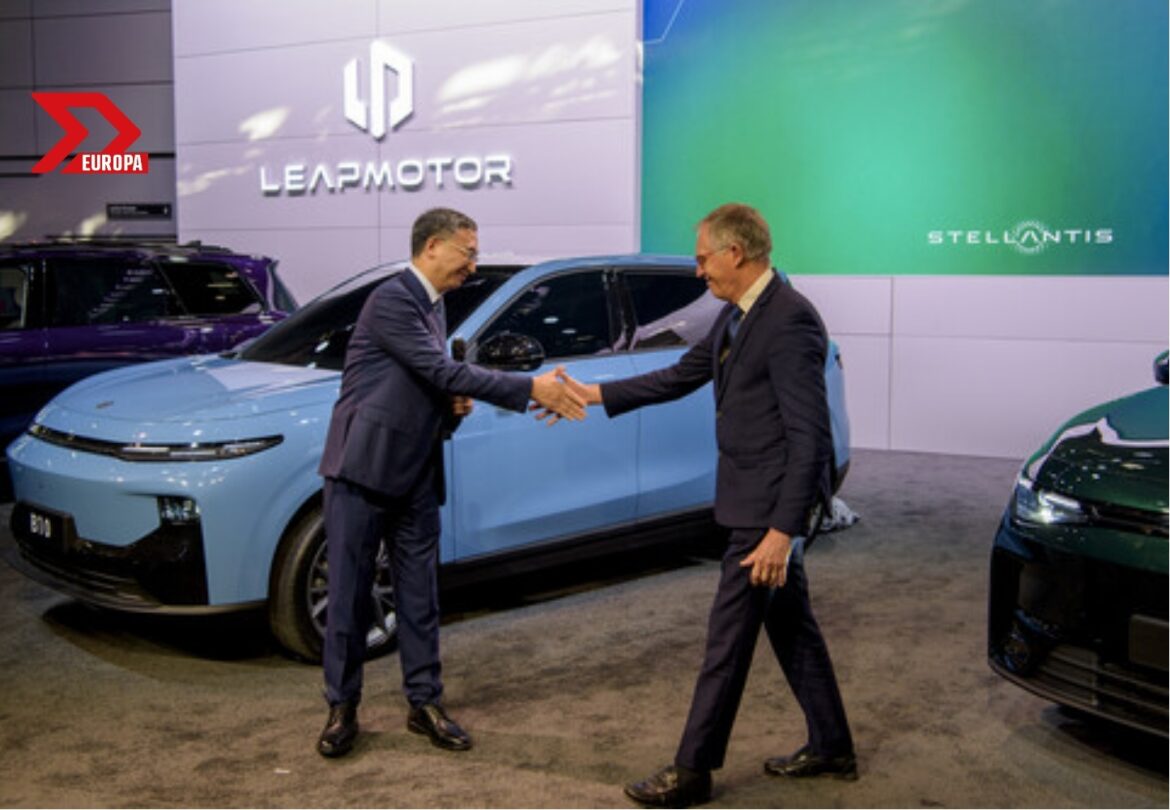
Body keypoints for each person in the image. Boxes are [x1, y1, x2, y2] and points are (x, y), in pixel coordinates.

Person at [556, 203, 855, 806]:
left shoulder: (790, 319)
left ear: (735, 253)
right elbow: (677, 376)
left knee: (727, 644)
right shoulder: (736, 315)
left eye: (702, 259)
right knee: (791, 628)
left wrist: (782, 531)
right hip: (752, 501)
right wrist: (592, 394)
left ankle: (693, 769)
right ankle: (832, 745)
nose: (698, 272)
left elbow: (811, 437)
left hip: (764, 514)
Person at [315, 207, 585, 758]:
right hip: (364, 470)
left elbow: (425, 383)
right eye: (468, 252)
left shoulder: (433, 306)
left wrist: (450, 408)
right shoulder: (392, 300)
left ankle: (425, 703)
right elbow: (438, 371)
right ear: (433, 246)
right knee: (349, 597)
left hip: (416, 471)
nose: (473, 265)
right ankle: (342, 708)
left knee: (420, 597)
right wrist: (530, 388)